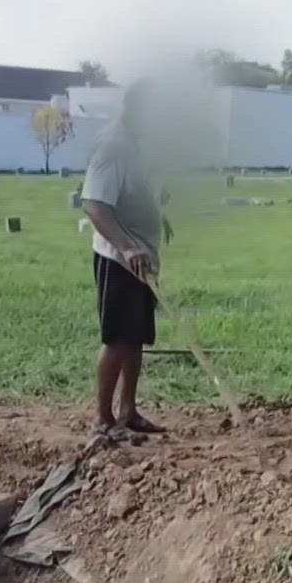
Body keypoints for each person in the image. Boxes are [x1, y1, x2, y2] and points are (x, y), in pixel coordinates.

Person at [82, 80, 175, 439]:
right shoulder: (113, 146)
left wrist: (157, 217)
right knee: (117, 338)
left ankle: (128, 411)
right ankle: (103, 421)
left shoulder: (138, 144)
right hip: (120, 259)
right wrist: (127, 246)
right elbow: (94, 205)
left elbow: (135, 193)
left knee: (135, 337)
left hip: (142, 257)